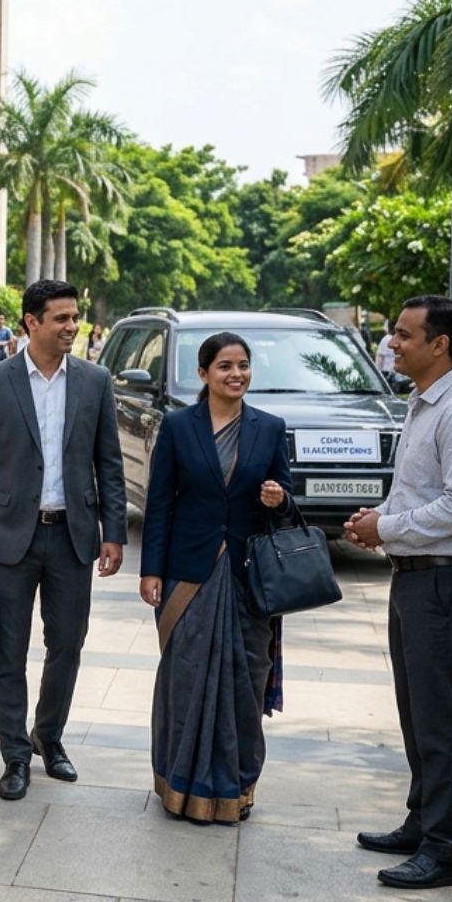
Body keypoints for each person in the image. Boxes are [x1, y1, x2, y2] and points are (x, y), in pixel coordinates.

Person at [343, 296, 452, 890]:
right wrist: (379, 517)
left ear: (441, 345)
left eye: (405, 335)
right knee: (417, 711)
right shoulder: (423, 405)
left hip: (447, 581)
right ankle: (422, 820)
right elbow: (418, 495)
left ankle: (445, 851)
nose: (393, 343)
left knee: (442, 719)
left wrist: (387, 528)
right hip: (417, 577)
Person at [0, 280, 126, 803]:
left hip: (73, 536)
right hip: (9, 539)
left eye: (75, 317)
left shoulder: (95, 381)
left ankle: (47, 737)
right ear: (32, 321)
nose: (72, 326)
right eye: (61, 318)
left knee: (67, 644)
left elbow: (110, 464)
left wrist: (113, 533)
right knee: (8, 650)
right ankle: (14, 756)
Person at [139, 333, 294, 825]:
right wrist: (151, 571)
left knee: (243, 684)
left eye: (244, 365)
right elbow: (160, 502)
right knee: (185, 680)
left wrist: (279, 499)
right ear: (203, 373)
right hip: (189, 574)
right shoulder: (179, 427)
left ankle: (234, 786)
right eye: (225, 365)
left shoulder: (269, 429)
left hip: (248, 580)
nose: (236, 374)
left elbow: (287, 500)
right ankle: (178, 785)